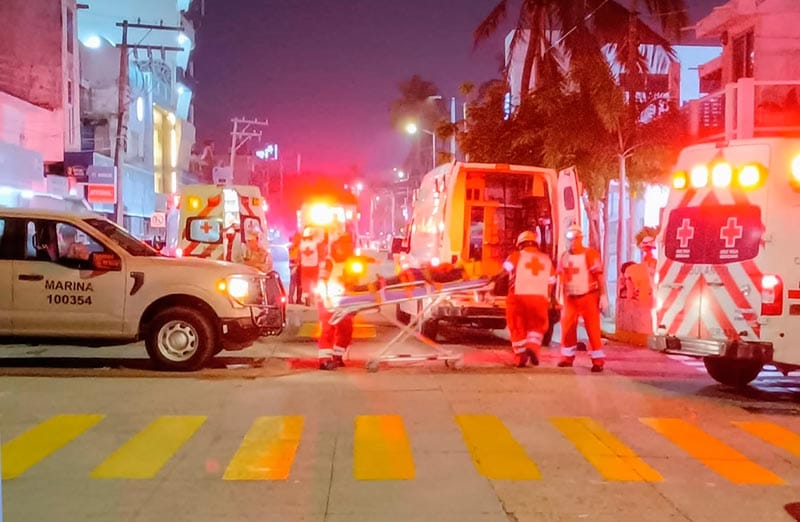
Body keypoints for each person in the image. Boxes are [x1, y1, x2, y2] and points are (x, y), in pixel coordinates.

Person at [499, 230, 556, 367]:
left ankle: (520, 356)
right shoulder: (546, 259)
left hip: (518, 297)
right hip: (540, 298)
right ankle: (532, 348)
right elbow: (552, 281)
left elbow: (505, 270)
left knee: (517, 325)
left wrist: (492, 279)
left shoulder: (516, 256)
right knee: (537, 326)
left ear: (520, 244)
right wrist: (549, 298)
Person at [557, 224, 608, 372]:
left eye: (575, 239)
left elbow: (599, 276)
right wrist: (558, 295)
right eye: (570, 239)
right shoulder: (564, 256)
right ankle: (567, 358)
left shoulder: (590, 254)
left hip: (589, 296)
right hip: (570, 298)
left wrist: (603, 295)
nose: (572, 242)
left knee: (592, 329)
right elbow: (561, 277)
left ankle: (598, 361)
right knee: (567, 328)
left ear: (580, 238)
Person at [316, 233, 356, 370]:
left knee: (346, 329)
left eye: (348, 245)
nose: (346, 248)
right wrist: (325, 298)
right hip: (328, 299)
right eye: (344, 244)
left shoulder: (351, 262)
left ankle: (337, 356)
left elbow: (354, 282)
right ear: (337, 245)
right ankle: (324, 360)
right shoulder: (329, 262)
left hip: (344, 300)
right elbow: (321, 281)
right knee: (328, 329)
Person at [299, 227, 324, 305]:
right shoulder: (315, 243)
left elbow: (299, 255)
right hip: (314, 265)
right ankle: (316, 296)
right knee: (315, 281)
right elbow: (321, 239)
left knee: (305, 282)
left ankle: (306, 296)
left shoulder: (301, 244)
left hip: (304, 266)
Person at [288, 232, 303, 304]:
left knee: (298, 283)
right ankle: (291, 299)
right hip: (294, 266)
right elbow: (292, 257)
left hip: (298, 266)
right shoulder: (293, 247)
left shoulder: (298, 246)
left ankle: (298, 299)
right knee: (294, 283)